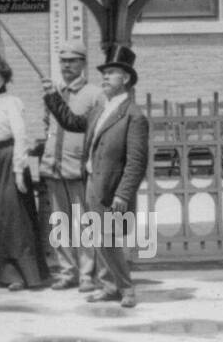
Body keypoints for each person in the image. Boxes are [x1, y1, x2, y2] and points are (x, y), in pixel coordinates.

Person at [43, 44, 148, 309]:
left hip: (112, 188)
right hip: (92, 182)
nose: (104, 77)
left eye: (111, 73)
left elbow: (136, 162)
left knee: (109, 238)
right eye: (104, 73)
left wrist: (124, 193)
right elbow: (71, 122)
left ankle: (126, 289)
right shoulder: (101, 109)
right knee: (101, 238)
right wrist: (53, 97)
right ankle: (111, 287)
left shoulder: (134, 115)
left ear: (125, 79)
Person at [0, 51, 48, 291]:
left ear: (4, 77)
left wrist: (18, 169)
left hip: (8, 158)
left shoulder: (12, 101)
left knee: (13, 218)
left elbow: (21, 135)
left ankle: (21, 275)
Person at [32, 40, 104, 294]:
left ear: (83, 63)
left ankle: (86, 274)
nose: (67, 66)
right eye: (63, 61)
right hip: (55, 167)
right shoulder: (54, 93)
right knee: (60, 222)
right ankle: (66, 271)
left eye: (73, 61)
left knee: (84, 222)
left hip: (80, 168)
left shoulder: (95, 94)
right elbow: (48, 127)